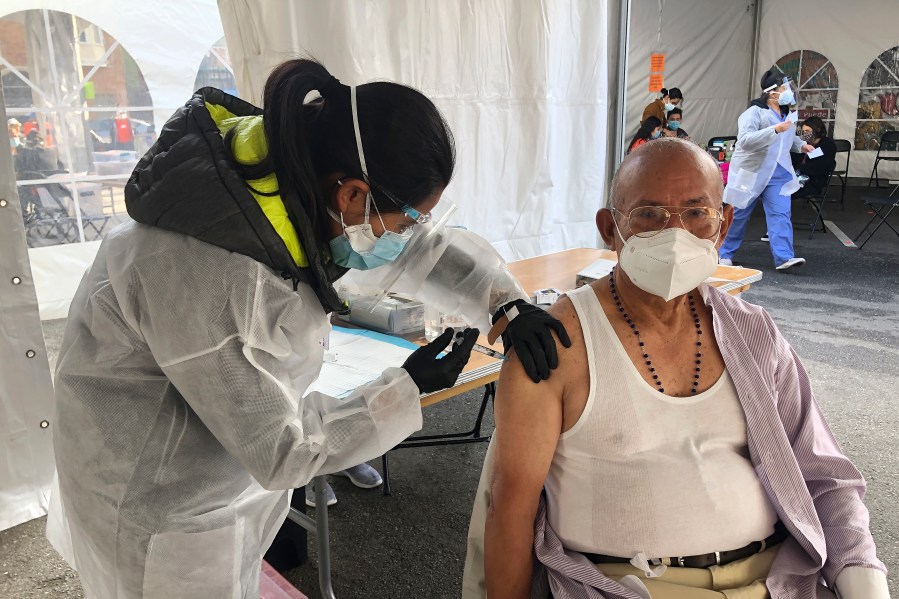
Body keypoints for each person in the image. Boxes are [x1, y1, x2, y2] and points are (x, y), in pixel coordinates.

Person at [45, 58, 569, 598]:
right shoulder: (205, 271)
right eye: (407, 218)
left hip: (217, 467)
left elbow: (423, 250)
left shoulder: (285, 184)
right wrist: (405, 388)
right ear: (352, 195)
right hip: (157, 500)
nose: (409, 235)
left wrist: (506, 303)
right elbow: (282, 450)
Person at [477, 138, 889, 599]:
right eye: (648, 214)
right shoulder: (558, 347)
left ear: (723, 223)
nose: (675, 236)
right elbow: (509, 508)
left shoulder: (753, 333)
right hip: (628, 587)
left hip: (782, 579)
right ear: (609, 229)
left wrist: (863, 582)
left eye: (696, 213)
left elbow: (825, 475)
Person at [719, 70, 813, 271]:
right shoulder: (753, 113)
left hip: (778, 173)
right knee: (738, 214)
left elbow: (788, 138)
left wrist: (801, 145)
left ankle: (784, 257)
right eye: (784, 88)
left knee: (781, 213)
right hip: (751, 172)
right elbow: (744, 140)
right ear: (772, 93)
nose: (789, 91)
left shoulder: (787, 113)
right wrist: (774, 130)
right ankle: (723, 253)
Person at [793, 116, 837, 198]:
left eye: (807, 131)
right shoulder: (803, 143)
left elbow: (820, 167)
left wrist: (798, 170)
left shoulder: (827, 145)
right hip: (797, 176)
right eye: (803, 131)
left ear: (818, 130)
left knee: (781, 192)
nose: (804, 134)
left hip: (813, 181)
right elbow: (794, 159)